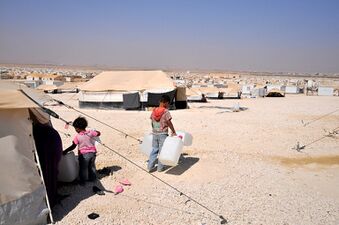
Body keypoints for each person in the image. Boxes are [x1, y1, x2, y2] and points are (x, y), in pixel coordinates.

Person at [63, 116, 100, 185]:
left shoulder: (77, 137)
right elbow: (98, 133)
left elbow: (73, 146)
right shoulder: (90, 132)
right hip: (93, 153)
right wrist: (94, 131)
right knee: (91, 166)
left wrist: (65, 151)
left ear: (77, 128)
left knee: (83, 168)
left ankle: (83, 181)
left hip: (84, 155)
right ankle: (93, 178)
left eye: (75, 128)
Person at [148, 95, 176, 172]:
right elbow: (169, 122)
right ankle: (160, 168)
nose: (168, 105)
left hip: (155, 133)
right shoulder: (166, 111)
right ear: (166, 103)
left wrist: (153, 130)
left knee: (154, 150)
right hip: (163, 134)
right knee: (162, 151)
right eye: (168, 104)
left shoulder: (154, 111)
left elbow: (152, 121)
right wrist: (173, 131)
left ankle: (150, 167)